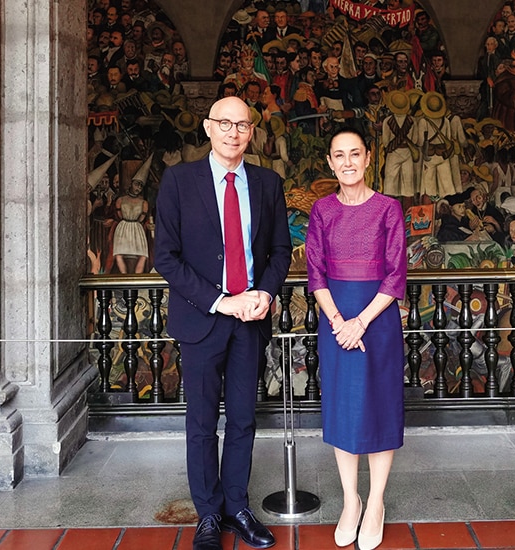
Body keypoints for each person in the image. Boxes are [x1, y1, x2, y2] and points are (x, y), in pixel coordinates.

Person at [153, 96, 291, 550]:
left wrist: (264, 293)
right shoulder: (179, 181)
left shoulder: (268, 183)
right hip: (202, 320)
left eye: (242, 125)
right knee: (201, 422)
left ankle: (237, 507)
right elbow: (165, 257)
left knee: (244, 419)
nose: (234, 132)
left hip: (250, 320)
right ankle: (208, 514)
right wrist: (220, 302)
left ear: (251, 132)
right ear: (208, 128)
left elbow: (279, 252)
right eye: (225, 123)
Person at [305, 127, 406, 550]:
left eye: (355, 153)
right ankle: (351, 500)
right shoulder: (322, 210)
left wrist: (359, 322)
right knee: (343, 409)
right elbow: (315, 273)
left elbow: (396, 274)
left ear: (368, 158)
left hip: (376, 319)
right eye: (339, 155)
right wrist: (338, 321)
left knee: (380, 407)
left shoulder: (388, 209)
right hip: (335, 320)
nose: (347, 162)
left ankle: (376, 502)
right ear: (330, 162)